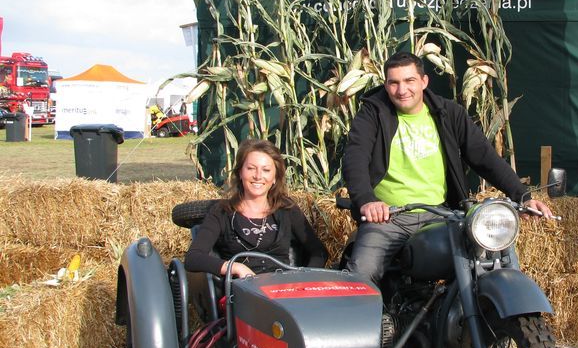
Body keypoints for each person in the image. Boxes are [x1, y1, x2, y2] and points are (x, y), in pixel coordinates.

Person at [342, 51, 554, 284]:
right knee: (361, 274)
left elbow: (485, 156)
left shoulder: (448, 113)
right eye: (394, 83)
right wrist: (367, 200)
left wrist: (522, 196)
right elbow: (356, 157)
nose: (402, 90)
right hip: (389, 219)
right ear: (386, 84)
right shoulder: (373, 113)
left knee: (492, 251)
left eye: (409, 81)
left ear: (424, 82)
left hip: (442, 214)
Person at [185, 139, 328, 277]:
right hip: (243, 292)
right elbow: (193, 258)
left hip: (284, 290)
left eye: (266, 170)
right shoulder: (222, 212)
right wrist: (235, 267)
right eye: (251, 168)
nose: (258, 176)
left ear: (274, 177)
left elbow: (319, 252)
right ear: (240, 172)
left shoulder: (287, 209)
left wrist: (304, 280)